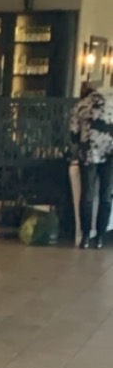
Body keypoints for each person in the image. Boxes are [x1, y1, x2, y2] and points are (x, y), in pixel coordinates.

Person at [70, 84, 113, 248]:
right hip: (110, 153)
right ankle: (100, 238)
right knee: (106, 196)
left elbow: (73, 134)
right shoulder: (111, 102)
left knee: (87, 196)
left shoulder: (81, 105)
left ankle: (86, 237)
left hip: (88, 154)